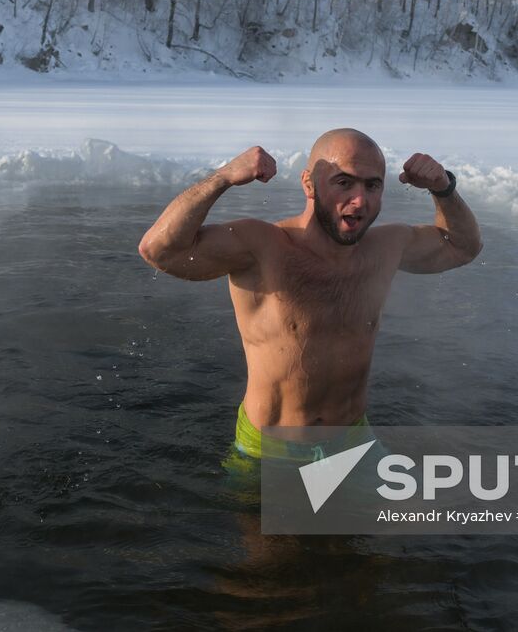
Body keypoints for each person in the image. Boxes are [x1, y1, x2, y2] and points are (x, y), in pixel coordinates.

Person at [137, 129, 482, 465]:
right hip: (272, 451)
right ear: (309, 184)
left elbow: (463, 247)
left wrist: (443, 188)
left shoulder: (387, 247)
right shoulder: (263, 246)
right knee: (277, 527)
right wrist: (224, 177)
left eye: (372, 185)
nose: (360, 200)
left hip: (352, 438)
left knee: (412, 518)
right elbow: (159, 251)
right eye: (344, 182)